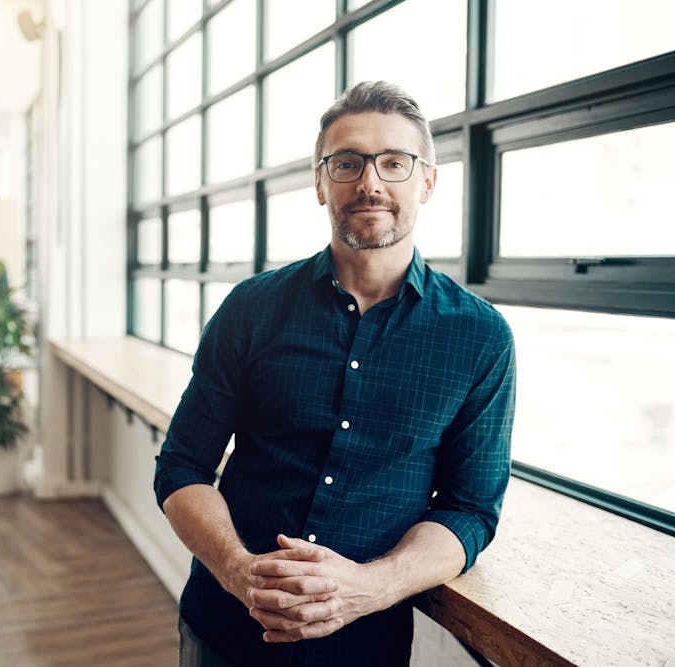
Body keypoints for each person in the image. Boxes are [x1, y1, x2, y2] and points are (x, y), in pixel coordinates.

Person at [154, 81, 516, 666]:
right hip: (226, 628)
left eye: (394, 163)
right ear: (320, 184)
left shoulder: (480, 337)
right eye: (347, 163)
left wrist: (372, 586)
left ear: (428, 181)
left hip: (363, 646)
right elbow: (182, 465)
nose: (370, 182)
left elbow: (471, 508)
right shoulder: (251, 309)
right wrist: (239, 571)